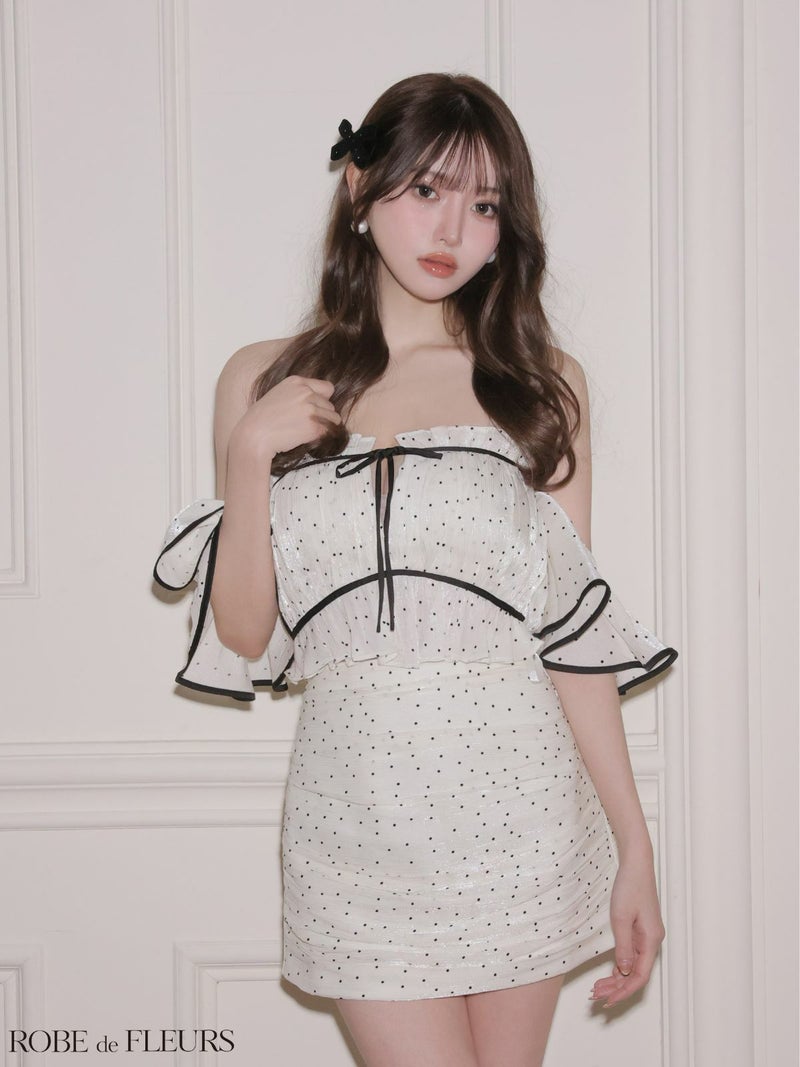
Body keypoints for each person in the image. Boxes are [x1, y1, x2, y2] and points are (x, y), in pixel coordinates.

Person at [153, 72, 678, 1067]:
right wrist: (250, 453)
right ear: (360, 187)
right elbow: (244, 631)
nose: (451, 229)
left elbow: (570, 635)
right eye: (426, 189)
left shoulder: (537, 384)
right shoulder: (261, 378)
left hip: (522, 810)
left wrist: (634, 844)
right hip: (354, 821)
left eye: (484, 205)